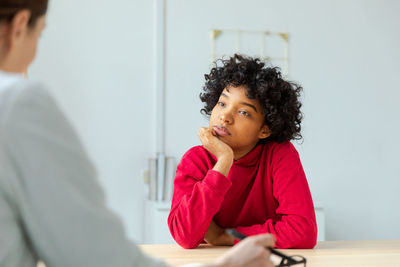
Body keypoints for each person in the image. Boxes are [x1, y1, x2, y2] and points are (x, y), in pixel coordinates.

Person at [0, 1, 275, 267]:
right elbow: (92, 256)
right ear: (20, 25)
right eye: (41, 33)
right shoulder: (17, 104)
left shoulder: (278, 154)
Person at [168, 54, 317, 249]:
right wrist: (223, 160)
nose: (225, 116)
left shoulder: (280, 155)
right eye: (222, 103)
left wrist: (225, 236)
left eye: (243, 112)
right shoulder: (195, 160)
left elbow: (302, 232)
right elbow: (184, 235)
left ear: (265, 129)